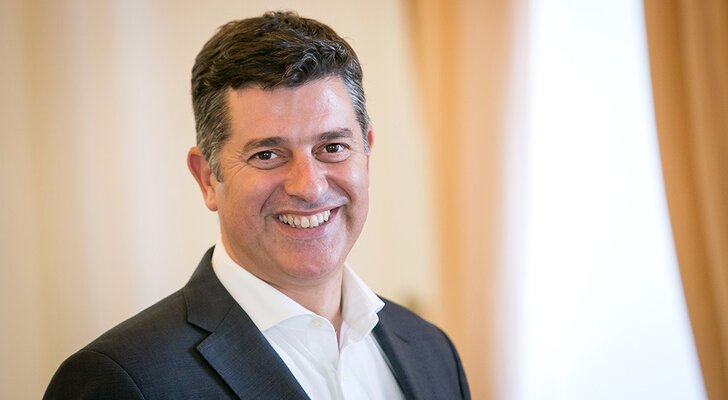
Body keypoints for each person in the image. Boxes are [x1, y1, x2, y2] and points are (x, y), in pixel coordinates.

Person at [44, 11, 470, 399]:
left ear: (367, 154)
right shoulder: (122, 380)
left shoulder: (432, 351)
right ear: (207, 178)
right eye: (267, 154)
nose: (309, 187)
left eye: (332, 147)